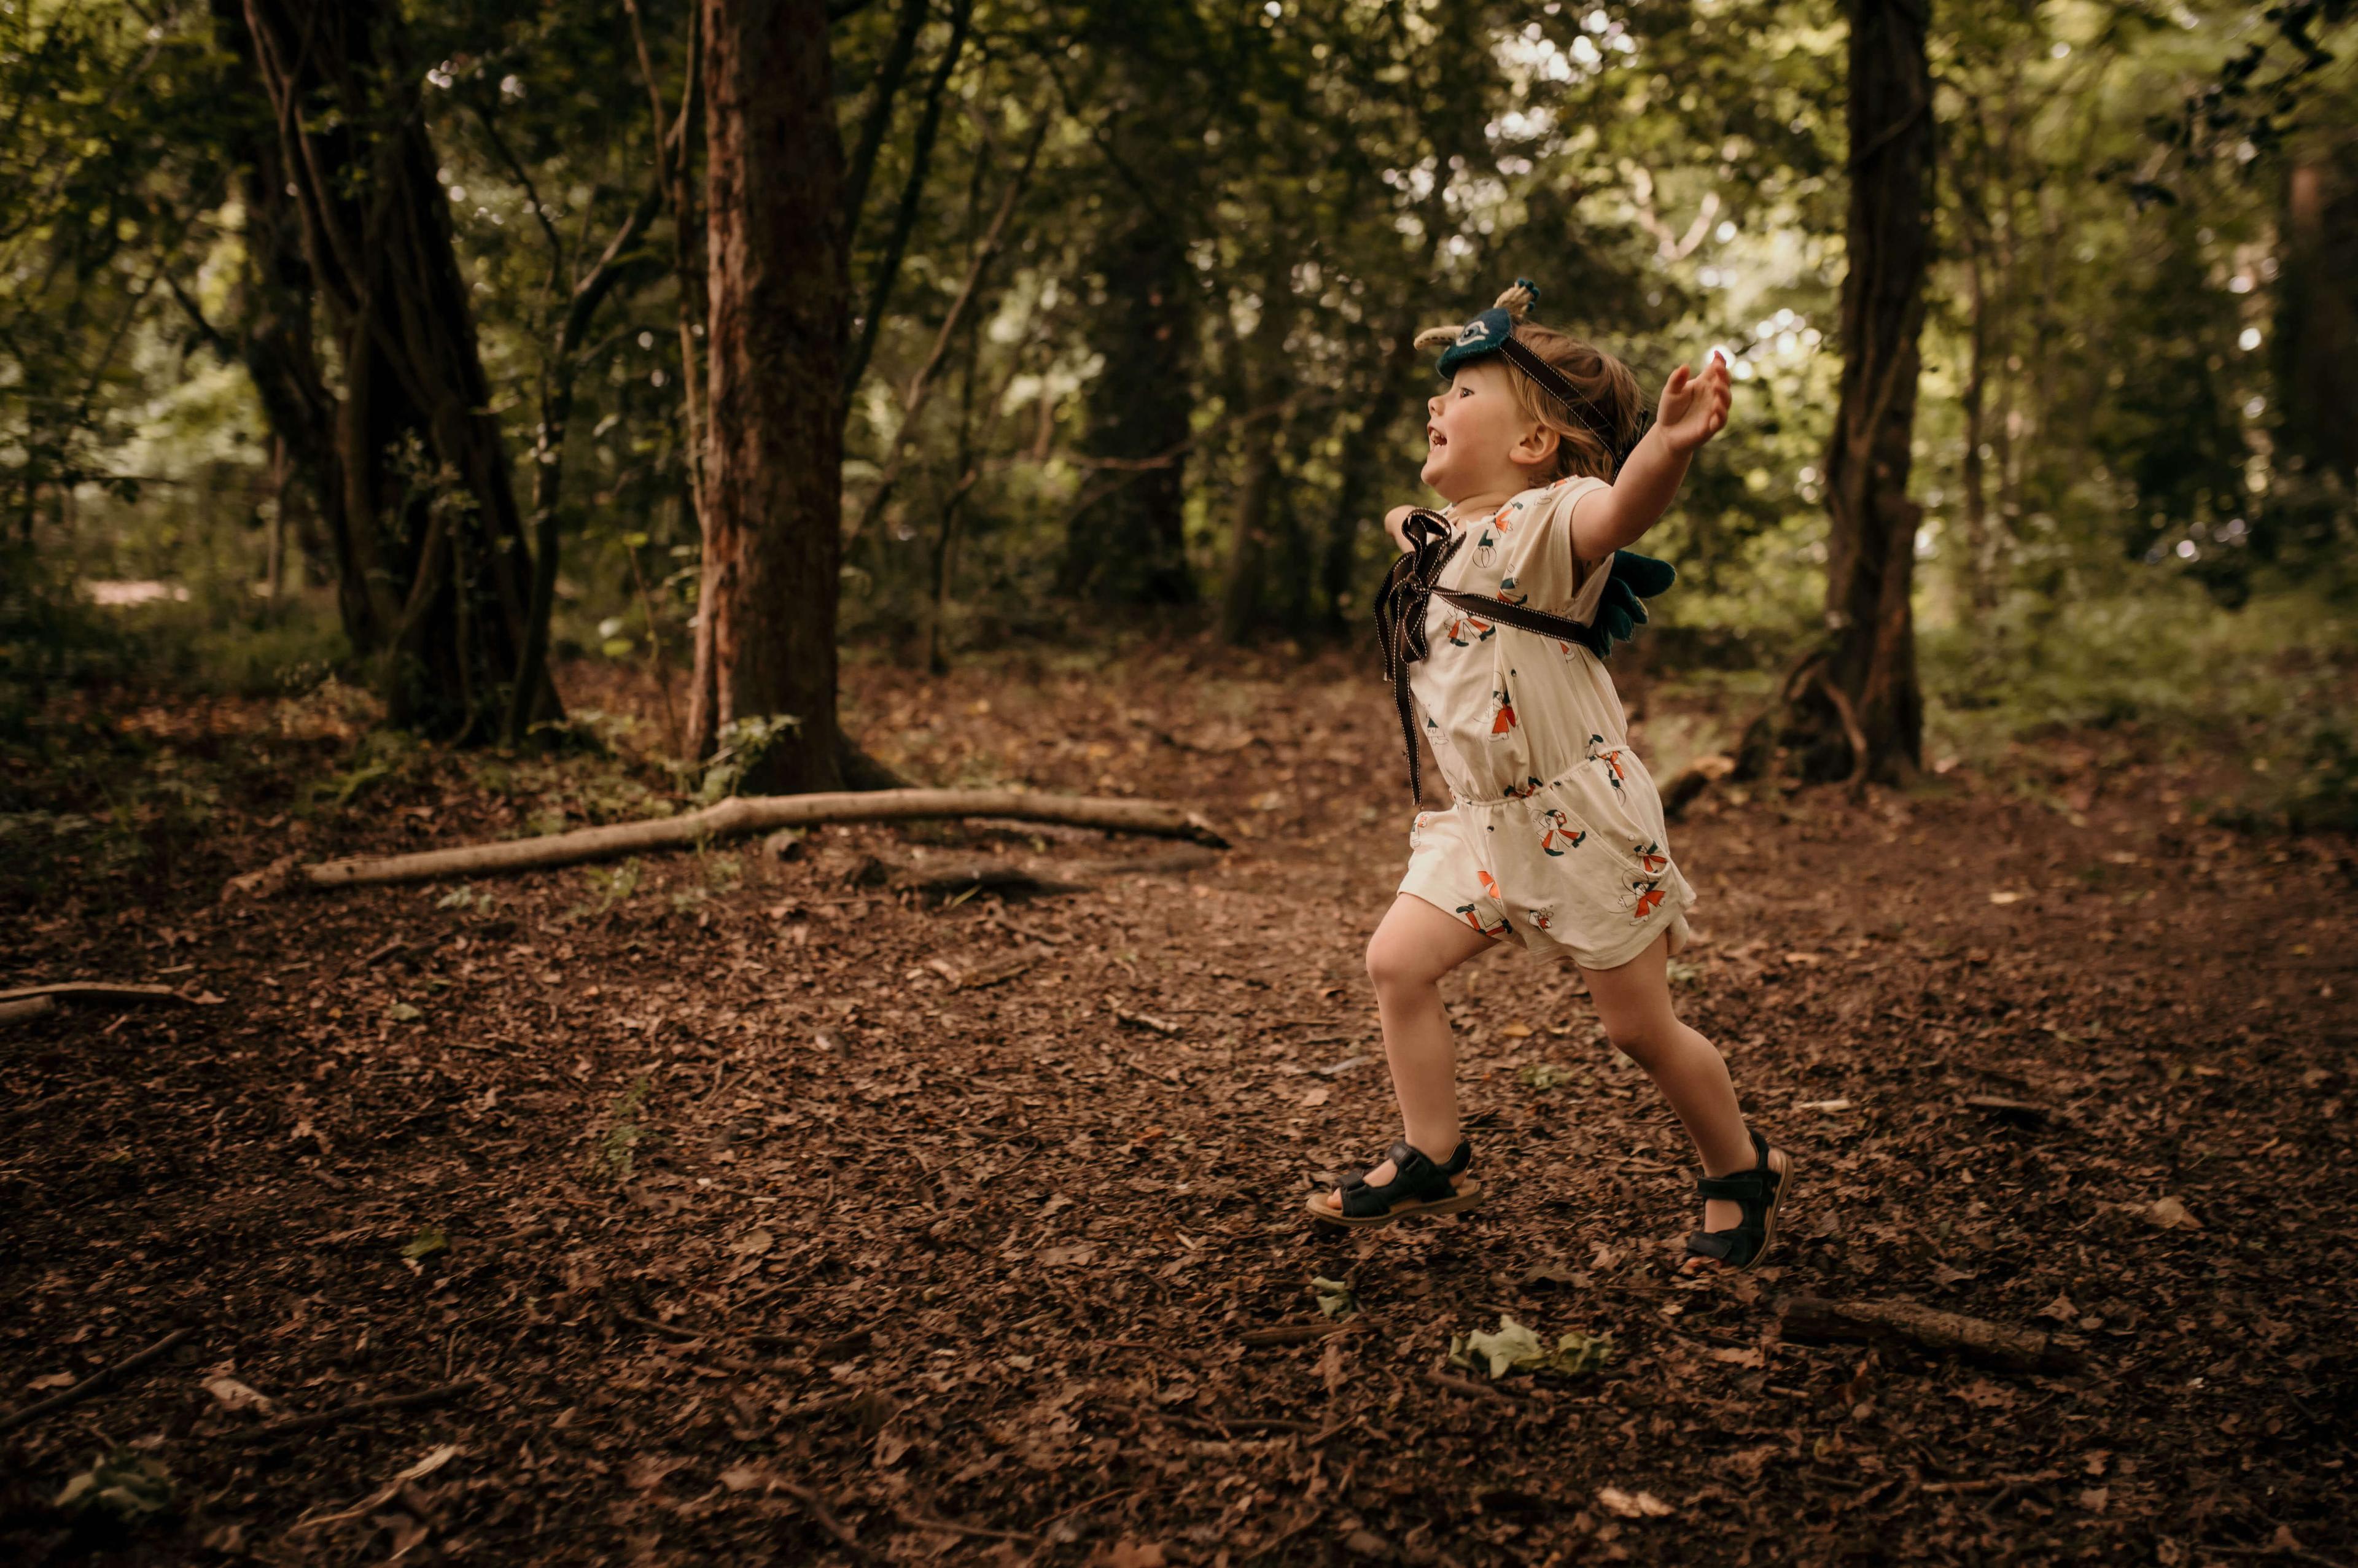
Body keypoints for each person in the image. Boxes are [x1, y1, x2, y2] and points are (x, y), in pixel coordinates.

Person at [1308, 280, 1792, 1274]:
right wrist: (1412, 524)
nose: (1436, 408)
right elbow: (1422, 531)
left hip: (1581, 821)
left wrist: (1668, 444)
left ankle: (1737, 1166)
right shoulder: (1449, 538)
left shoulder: (1549, 523)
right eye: (1437, 398)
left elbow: (1622, 507)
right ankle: (1433, 1151)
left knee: (1638, 1028)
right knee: (1397, 963)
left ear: (1534, 444)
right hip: (1480, 825)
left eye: (1465, 394)